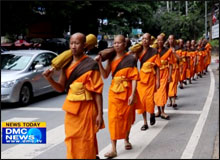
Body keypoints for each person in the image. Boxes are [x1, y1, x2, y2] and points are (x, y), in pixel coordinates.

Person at [42, 32, 104, 159]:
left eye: (77, 43)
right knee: (71, 139)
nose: (73, 46)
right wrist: (49, 79)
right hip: (71, 111)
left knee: (86, 140)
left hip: (87, 109)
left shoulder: (91, 64)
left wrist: (100, 114)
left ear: (84, 45)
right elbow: (60, 88)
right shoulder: (66, 65)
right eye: (71, 43)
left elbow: (97, 91)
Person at [96, 35, 139, 158]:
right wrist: (99, 64)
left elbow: (134, 78)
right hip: (114, 92)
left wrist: (133, 93)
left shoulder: (131, 58)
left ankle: (126, 139)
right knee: (114, 119)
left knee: (127, 117)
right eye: (114, 43)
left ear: (124, 45)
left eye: (119, 43)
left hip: (127, 91)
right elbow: (105, 75)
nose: (116, 45)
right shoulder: (111, 59)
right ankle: (113, 148)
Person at [134, 33, 161, 130]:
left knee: (149, 100)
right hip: (141, 80)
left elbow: (157, 67)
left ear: (150, 41)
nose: (145, 40)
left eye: (147, 39)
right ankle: (145, 122)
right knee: (142, 101)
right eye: (143, 39)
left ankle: (152, 113)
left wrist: (158, 80)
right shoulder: (139, 51)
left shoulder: (154, 51)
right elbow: (133, 63)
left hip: (151, 79)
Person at [154, 34, 174, 120]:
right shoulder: (154, 51)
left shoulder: (168, 51)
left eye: (161, 40)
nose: (159, 42)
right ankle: (158, 110)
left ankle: (163, 111)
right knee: (156, 93)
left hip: (165, 73)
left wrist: (170, 75)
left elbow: (171, 64)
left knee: (162, 92)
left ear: (164, 41)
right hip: (155, 74)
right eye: (158, 40)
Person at [167, 35, 180, 109]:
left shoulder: (177, 48)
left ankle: (174, 100)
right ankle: (170, 101)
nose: (171, 40)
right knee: (168, 85)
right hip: (167, 69)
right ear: (168, 40)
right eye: (169, 39)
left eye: (172, 39)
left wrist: (174, 53)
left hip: (175, 69)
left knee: (173, 84)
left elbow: (179, 59)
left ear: (174, 40)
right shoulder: (165, 49)